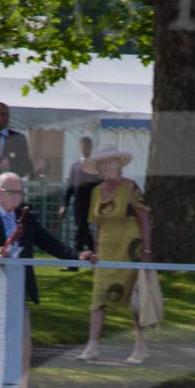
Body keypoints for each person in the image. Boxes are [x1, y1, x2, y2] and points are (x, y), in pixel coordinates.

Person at [0, 172, 83, 388]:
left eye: (21, 192)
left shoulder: (26, 217)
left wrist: (78, 256)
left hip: (17, 294)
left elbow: (50, 243)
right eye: (13, 192)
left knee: (21, 351)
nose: (18, 197)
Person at [77, 145, 151, 364]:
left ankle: (140, 346)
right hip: (106, 252)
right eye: (102, 164)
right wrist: (95, 250)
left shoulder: (130, 187)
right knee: (97, 299)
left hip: (131, 250)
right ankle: (92, 346)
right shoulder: (95, 192)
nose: (106, 167)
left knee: (135, 299)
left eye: (110, 162)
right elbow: (97, 225)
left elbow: (144, 219)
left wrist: (147, 250)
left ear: (118, 164)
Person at [61, 136, 100, 253]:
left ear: (91, 147)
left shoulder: (95, 165)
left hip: (92, 203)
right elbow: (70, 186)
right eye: (83, 145)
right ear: (80, 147)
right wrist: (64, 204)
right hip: (78, 203)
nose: (85, 148)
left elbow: (99, 184)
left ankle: (74, 259)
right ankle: (94, 253)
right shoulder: (75, 166)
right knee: (83, 230)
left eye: (87, 145)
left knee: (81, 230)